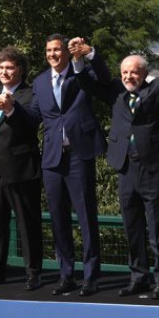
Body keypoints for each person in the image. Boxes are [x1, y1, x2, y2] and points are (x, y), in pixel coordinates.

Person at [78, 53, 159, 300]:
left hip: (152, 167)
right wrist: (85, 57)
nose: (129, 77)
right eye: (125, 73)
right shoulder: (116, 92)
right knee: (132, 226)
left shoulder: (155, 89)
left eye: (134, 72)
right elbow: (87, 82)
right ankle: (138, 277)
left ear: (143, 73)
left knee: (157, 228)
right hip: (125, 167)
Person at [30, 34, 110, 297]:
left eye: (57, 50)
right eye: (48, 50)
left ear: (66, 52)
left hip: (79, 153)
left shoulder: (80, 73)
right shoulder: (40, 82)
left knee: (86, 215)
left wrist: (88, 54)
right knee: (57, 218)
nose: (53, 54)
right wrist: (9, 110)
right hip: (52, 157)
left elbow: (104, 79)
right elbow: (32, 115)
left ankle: (91, 276)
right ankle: (66, 274)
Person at [0, 46, 43, 290]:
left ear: (20, 71)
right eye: (1, 67)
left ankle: (33, 271)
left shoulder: (31, 94)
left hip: (22, 169)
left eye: (9, 67)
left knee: (28, 223)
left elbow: (33, 121)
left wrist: (11, 109)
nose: (4, 71)